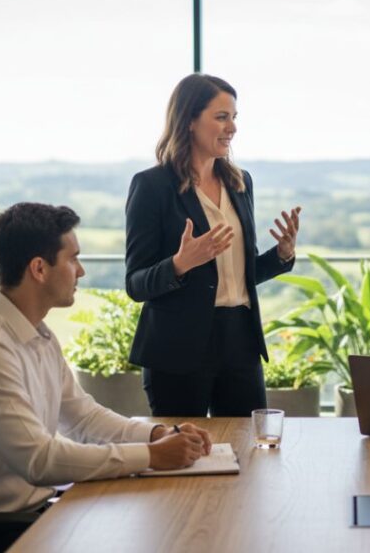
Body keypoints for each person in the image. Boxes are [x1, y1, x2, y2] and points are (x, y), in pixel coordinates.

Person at [0, 203, 209, 540]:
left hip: (30, 516)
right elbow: (40, 460)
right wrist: (150, 456)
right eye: (72, 259)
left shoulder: (37, 334)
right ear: (39, 269)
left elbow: (83, 419)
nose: (81, 271)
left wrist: (156, 435)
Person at [126, 73, 301, 417]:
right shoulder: (152, 186)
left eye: (234, 117)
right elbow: (135, 283)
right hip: (177, 350)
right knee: (184, 458)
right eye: (221, 117)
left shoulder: (240, 183)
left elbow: (241, 272)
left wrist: (281, 255)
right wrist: (180, 263)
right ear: (189, 120)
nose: (232, 128)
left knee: (248, 456)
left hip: (240, 342)